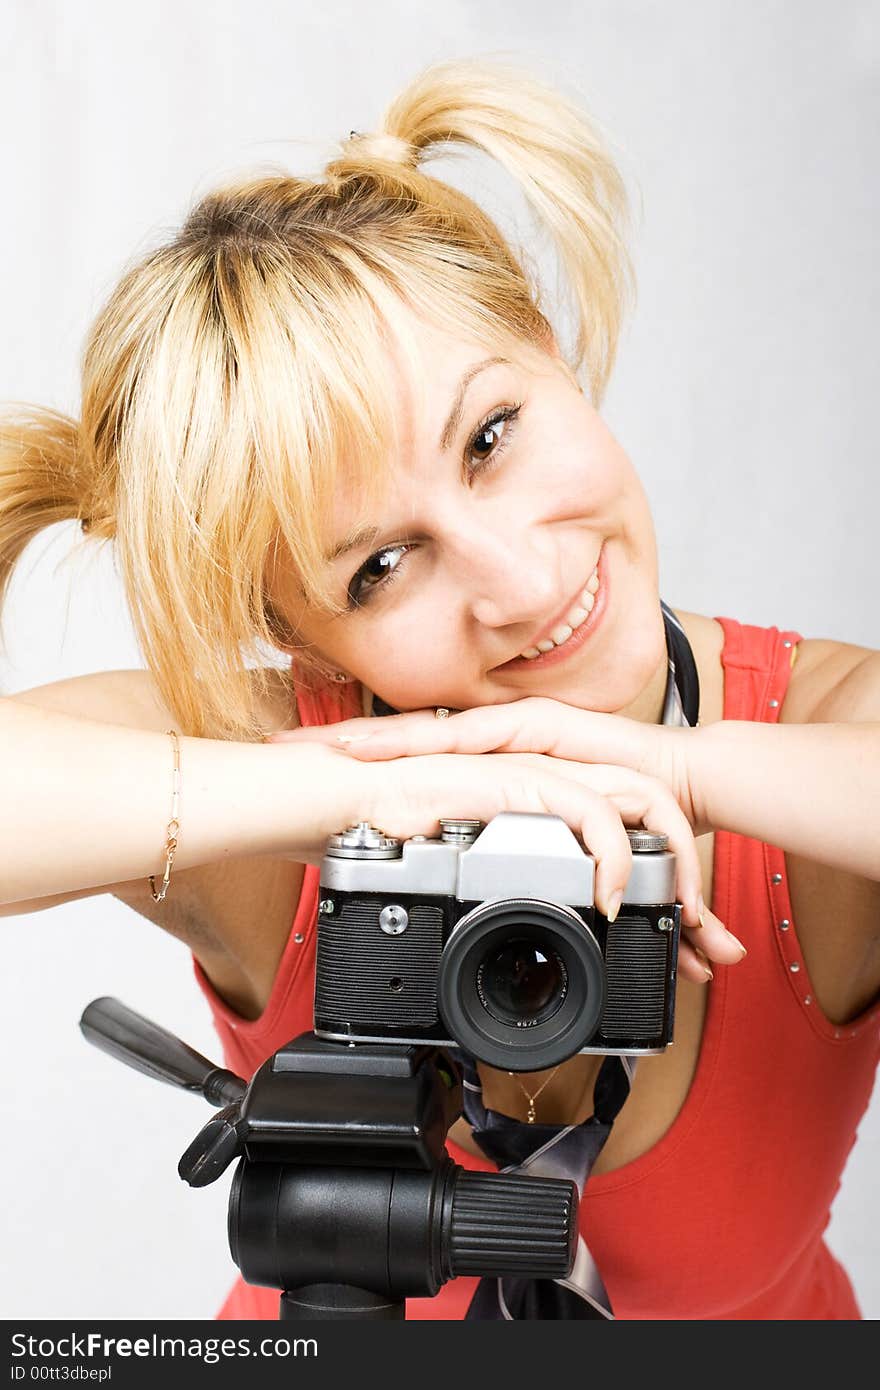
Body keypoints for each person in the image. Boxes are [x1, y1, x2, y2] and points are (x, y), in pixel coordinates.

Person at [1, 57, 877, 1321]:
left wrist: (675, 770)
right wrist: (334, 784)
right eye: (378, 568)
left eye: (490, 436)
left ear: (548, 342)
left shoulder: (811, 736)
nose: (518, 581)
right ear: (299, 642)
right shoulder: (288, 800)